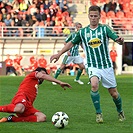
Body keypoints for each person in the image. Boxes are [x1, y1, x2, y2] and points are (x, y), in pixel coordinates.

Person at [50, 5, 125, 123]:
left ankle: (120, 111)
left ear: (100, 16)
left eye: (96, 16)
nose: (93, 18)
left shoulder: (105, 29)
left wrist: (119, 41)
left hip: (106, 65)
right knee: (94, 85)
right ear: (88, 16)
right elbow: (71, 43)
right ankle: (99, 113)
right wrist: (58, 54)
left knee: (114, 93)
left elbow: (117, 38)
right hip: (92, 65)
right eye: (91, 16)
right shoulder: (83, 32)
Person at [0, 67, 71, 122]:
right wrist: (59, 82)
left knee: (42, 118)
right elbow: (41, 76)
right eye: (42, 73)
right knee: (19, 109)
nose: (43, 76)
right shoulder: (32, 75)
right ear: (36, 72)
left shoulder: (36, 84)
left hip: (28, 105)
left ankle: (12, 119)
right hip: (22, 97)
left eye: (45, 74)